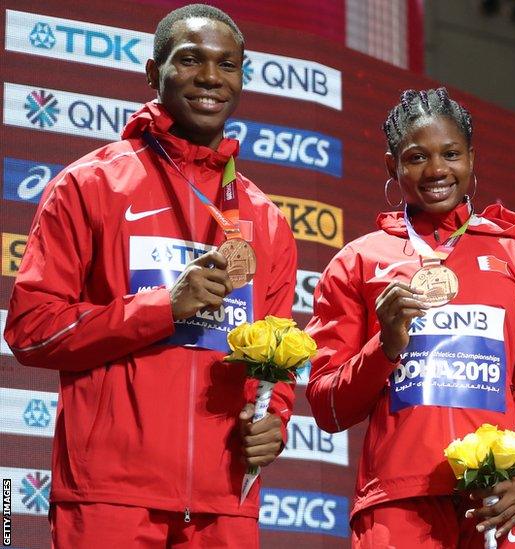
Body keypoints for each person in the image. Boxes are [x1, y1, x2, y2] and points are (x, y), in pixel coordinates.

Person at [3, 5, 297, 547]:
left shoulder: (266, 219)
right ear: (152, 72)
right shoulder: (90, 185)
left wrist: (273, 418)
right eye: (189, 60)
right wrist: (163, 307)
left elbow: (277, 358)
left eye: (227, 65)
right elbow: (31, 328)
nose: (210, 77)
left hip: (225, 503)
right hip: (109, 495)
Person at [305, 88, 515, 548]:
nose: (438, 170)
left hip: (501, 496)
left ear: (471, 158)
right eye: (417, 157)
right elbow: (328, 408)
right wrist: (383, 345)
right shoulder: (358, 262)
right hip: (399, 501)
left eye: (451, 154)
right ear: (392, 166)